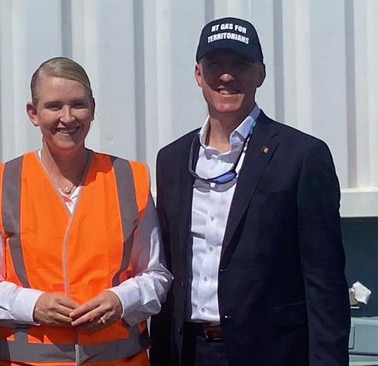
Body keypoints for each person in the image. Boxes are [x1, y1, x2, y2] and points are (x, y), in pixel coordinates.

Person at [150, 17, 350, 365]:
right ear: (198, 74)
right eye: (215, 65)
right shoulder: (172, 159)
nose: (226, 76)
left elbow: (325, 283)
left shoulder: (301, 156)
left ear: (260, 74)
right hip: (190, 353)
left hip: (272, 353)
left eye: (240, 64)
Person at [0, 56, 172, 365]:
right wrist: (33, 305)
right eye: (54, 106)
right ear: (33, 113)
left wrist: (121, 300)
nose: (67, 117)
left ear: (92, 107)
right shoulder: (3, 182)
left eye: (77, 104)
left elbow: (156, 275)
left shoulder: (129, 178)